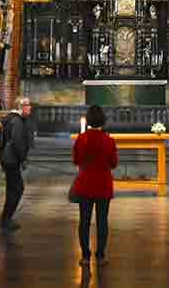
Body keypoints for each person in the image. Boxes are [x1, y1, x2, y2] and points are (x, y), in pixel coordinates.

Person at [71, 104, 118, 265]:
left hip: (85, 184)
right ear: (103, 121)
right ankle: (100, 256)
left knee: (84, 221)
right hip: (103, 185)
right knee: (102, 221)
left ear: (89, 120)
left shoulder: (81, 139)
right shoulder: (109, 140)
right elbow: (113, 163)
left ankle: (85, 256)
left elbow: (76, 160)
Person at [0, 96, 36, 231]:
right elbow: (17, 141)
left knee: (12, 188)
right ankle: (6, 219)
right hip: (12, 159)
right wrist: (23, 158)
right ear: (21, 106)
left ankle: (5, 217)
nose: (30, 107)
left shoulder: (9, 118)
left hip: (7, 158)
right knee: (17, 189)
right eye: (28, 105)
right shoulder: (17, 121)